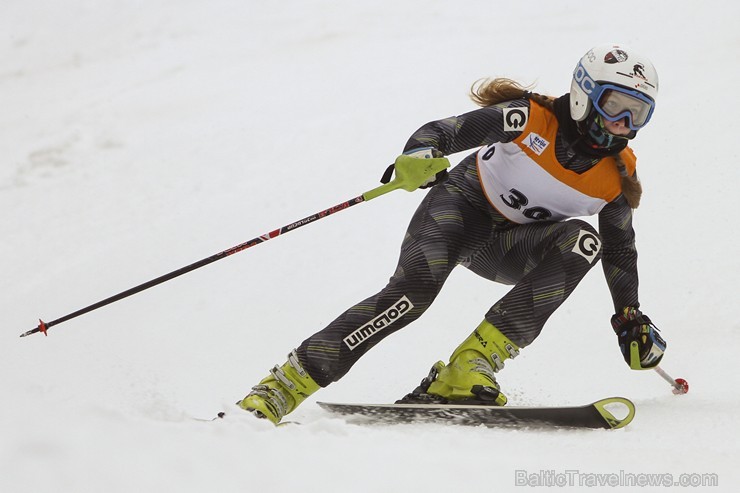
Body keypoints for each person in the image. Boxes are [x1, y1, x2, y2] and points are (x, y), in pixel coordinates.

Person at [238, 44, 667, 424]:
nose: (623, 123)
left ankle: (469, 367)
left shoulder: (616, 176)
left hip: (507, 249)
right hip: (459, 210)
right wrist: (419, 153)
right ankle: (280, 389)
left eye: (638, 114)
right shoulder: (532, 118)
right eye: (615, 105)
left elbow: (620, 251)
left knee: (583, 242)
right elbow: (445, 131)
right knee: (411, 295)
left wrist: (629, 317)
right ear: (583, 95)